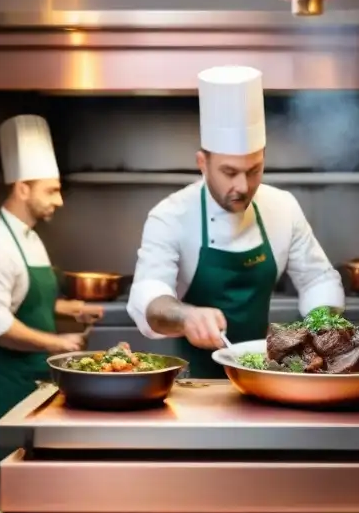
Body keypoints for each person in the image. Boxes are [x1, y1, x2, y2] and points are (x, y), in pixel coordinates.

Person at [127, 65, 345, 378]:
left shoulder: (282, 207)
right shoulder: (171, 216)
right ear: (203, 164)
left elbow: (317, 279)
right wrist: (186, 316)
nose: (243, 186)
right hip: (198, 386)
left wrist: (321, 321)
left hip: (267, 376)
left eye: (254, 170)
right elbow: (147, 296)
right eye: (229, 172)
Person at [0, 114, 104, 485]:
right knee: (2, 482)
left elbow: (29, 298)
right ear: (22, 189)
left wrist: (72, 309)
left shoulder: (29, 237)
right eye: (51, 190)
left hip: (35, 380)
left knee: (35, 479)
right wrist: (58, 342)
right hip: (6, 385)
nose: (58, 200)